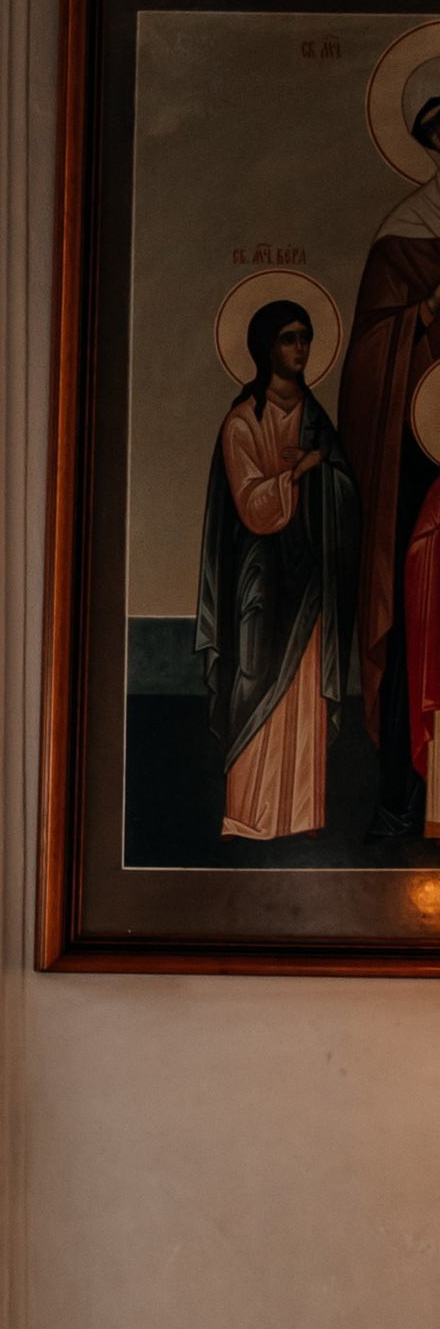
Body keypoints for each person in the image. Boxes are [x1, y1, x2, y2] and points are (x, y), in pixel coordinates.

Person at [196, 297, 360, 843]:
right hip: (259, 576)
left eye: (305, 337)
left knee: (304, 688)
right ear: (267, 347)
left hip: (309, 575)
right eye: (289, 338)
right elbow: (250, 505)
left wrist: (324, 471)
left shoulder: (315, 419)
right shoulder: (242, 421)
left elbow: (345, 488)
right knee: (253, 677)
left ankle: (299, 814)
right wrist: (299, 474)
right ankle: (246, 814)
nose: (300, 348)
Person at [339, 62, 440, 833]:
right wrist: (424, 315)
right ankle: (408, 792)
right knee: (418, 610)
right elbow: (373, 361)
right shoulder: (402, 236)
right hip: (419, 456)